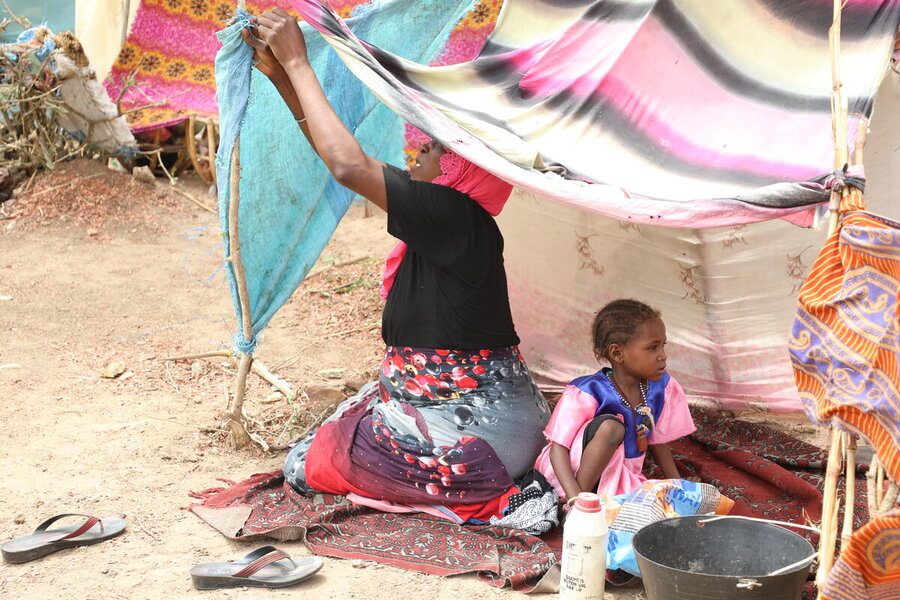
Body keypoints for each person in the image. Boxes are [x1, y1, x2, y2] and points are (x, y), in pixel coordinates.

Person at [242, 10, 551, 523]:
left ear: (460, 169)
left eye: (436, 147)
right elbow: (338, 156)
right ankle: (484, 479)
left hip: (479, 435)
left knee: (312, 463)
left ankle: (498, 494)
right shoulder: (449, 217)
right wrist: (280, 76)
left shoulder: (452, 215)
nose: (422, 147)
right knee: (336, 437)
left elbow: (348, 166)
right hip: (480, 417)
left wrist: (299, 62)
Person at [534, 299, 696, 502]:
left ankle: (591, 501)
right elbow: (558, 450)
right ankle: (577, 507)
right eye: (653, 348)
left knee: (653, 506)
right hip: (568, 478)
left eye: (663, 346)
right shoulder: (587, 391)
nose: (663, 356)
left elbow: (658, 440)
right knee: (611, 427)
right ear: (618, 353)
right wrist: (575, 498)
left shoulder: (661, 388)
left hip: (618, 474)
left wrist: (678, 485)